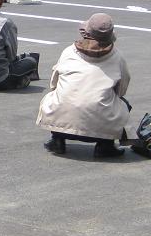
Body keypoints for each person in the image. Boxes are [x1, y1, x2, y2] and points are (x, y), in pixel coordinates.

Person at [37, 13, 130, 158]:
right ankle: (105, 146)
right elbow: (122, 90)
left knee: (56, 96)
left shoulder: (69, 51)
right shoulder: (117, 56)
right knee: (124, 104)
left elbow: (53, 84)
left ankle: (57, 140)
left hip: (61, 123)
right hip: (99, 128)